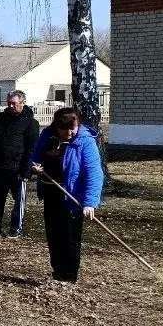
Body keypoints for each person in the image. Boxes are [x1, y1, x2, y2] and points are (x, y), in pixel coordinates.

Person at [29, 106, 103, 284]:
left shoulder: (85, 142)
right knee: (53, 236)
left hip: (72, 197)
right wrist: (34, 167)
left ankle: (69, 277)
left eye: (73, 128)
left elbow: (94, 173)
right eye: (64, 129)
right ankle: (57, 273)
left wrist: (90, 202)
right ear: (57, 126)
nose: (69, 132)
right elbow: (35, 157)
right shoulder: (47, 136)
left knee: (69, 238)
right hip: (50, 193)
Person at [0, 90, 40, 237]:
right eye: (9, 103)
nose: (11, 106)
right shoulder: (1, 117)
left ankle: (16, 229)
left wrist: (27, 171)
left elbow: (32, 149)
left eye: (14, 103)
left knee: (19, 200)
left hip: (18, 168)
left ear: (22, 103)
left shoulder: (31, 123)